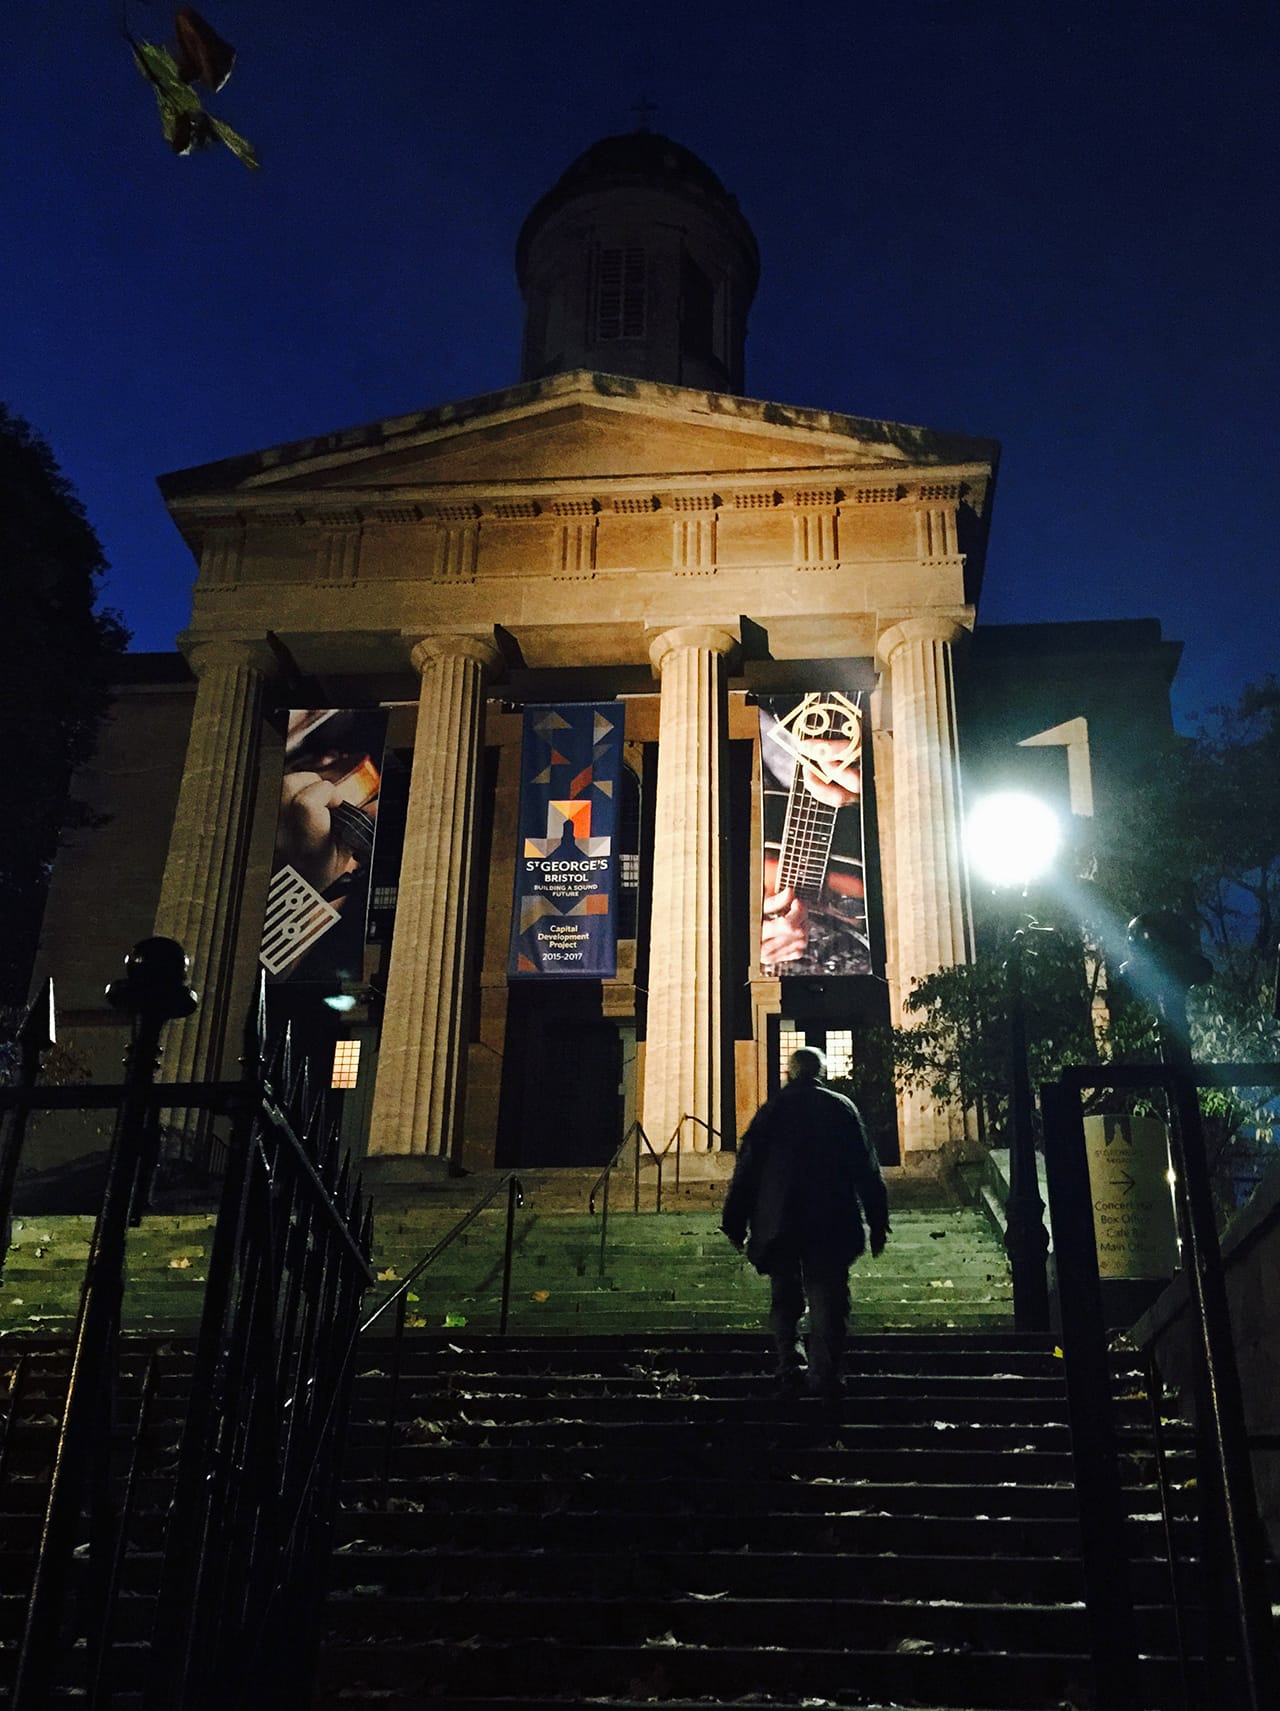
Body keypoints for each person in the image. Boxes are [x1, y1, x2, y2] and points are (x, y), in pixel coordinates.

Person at [721, 1046, 889, 1399]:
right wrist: (878, 1221)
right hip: (830, 1219)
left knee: (785, 1298)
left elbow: (747, 1168)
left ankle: (790, 1366)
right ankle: (824, 1374)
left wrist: (734, 1221)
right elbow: (866, 1168)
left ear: (790, 1073)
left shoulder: (772, 1110)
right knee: (829, 1297)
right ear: (821, 1074)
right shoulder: (842, 1109)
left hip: (779, 1220)